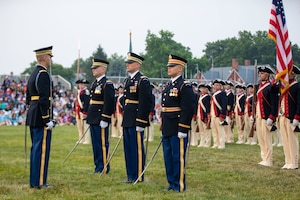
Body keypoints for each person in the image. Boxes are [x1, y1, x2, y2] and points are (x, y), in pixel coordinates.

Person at [161, 55, 196, 192]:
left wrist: (183, 127)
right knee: (168, 156)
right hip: (168, 126)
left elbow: (188, 107)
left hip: (177, 126)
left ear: (180, 68)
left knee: (177, 157)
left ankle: (179, 185)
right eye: (168, 66)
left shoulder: (184, 85)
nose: (169, 68)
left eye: (172, 66)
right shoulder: (170, 84)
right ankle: (171, 183)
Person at [26, 46, 55, 189]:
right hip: (40, 117)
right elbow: (44, 99)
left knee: (36, 149)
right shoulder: (43, 74)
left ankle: (34, 181)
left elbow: (28, 98)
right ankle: (40, 182)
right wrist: (47, 119)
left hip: (33, 114)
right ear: (44, 57)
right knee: (42, 150)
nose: (51, 59)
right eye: (50, 57)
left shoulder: (33, 73)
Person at [121, 52, 152, 184]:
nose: (127, 65)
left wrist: (141, 121)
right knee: (128, 148)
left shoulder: (142, 80)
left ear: (138, 65)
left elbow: (146, 102)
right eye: (127, 63)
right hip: (127, 118)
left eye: (130, 63)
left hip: (136, 118)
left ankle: (138, 175)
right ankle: (130, 174)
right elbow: (125, 99)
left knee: (137, 148)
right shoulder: (128, 80)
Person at [86, 58, 115, 173]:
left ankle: (104, 166)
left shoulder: (107, 84)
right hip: (93, 117)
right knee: (95, 144)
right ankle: (97, 165)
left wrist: (105, 118)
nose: (93, 70)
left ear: (103, 69)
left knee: (102, 143)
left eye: (95, 68)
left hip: (100, 117)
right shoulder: (95, 83)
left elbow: (109, 102)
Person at [255, 65, 279, 167]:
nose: (260, 75)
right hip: (259, 116)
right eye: (260, 73)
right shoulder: (259, 86)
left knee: (267, 139)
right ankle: (264, 158)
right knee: (261, 139)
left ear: (268, 75)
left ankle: (269, 160)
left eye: (263, 73)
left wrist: (272, 116)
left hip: (266, 116)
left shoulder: (271, 87)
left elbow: (274, 103)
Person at [278, 65, 300, 169]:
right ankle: (288, 161)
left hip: (292, 117)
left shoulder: (297, 86)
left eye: (289, 73)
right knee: (285, 140)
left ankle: (294, 162)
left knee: (292, 141)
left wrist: (297, 117)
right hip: (283, 116)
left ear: (293, 74)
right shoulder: (284, 86)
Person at [210, 79, 228, 149]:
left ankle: (221, 144)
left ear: (221, 86)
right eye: (215, 85)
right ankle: (216, 143)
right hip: (213, 115)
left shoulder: (222, 93)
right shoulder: (214, 94)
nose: (215, 86)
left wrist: (222, 115)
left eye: (217, 85)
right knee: (214, 131)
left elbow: (224, 105)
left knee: (220, 131)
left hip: (218, 115)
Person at [75, 79, 91, 144]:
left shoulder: (86, 92)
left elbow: (87, 103)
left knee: (85, 126)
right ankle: (81, 139)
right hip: (78, 111)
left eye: (82, 84)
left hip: (83, 111)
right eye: (80, 84)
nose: (81, 85)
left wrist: (85, 112)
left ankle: (87, 140)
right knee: (79, 126)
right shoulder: (79, 92)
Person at [197, 84, 211, 148]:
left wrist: (207, 116)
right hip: (199, 114)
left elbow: (207, 107)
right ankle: (202, 142)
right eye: (201, 89)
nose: (202, 90)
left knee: (206, 130)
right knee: (201, 130)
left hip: (204, 115)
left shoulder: (207, 97)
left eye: (203, 88)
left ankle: (207, 142)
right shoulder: (200, 96)